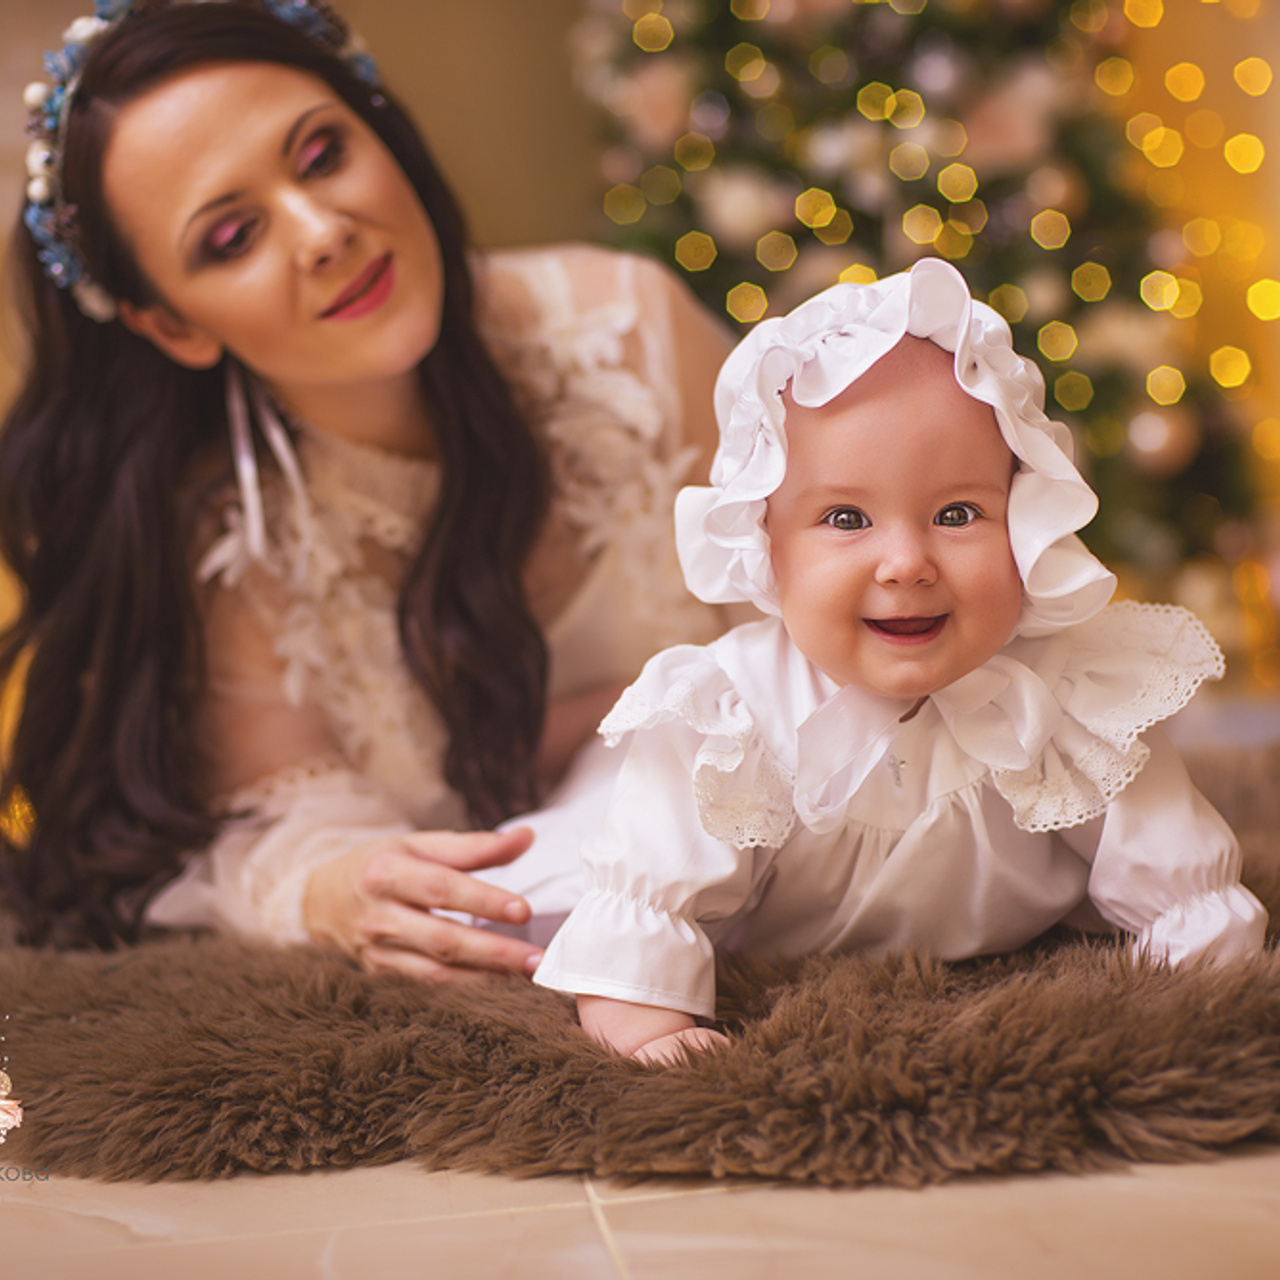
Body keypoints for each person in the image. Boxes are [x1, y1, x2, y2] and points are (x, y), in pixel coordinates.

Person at [0, 0, 734, 979]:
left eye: (319, 156)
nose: (321, 231)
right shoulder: (227, 535)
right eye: (230, 237)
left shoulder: (630, 327)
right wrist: (335, 886)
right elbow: (288, 824)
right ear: (171, 324)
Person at [533, 258, 1269, 1064]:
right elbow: (645, 903)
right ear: (764, 545)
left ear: (1024, 524)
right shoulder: (732, 717)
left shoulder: (1075, 691)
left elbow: (1188, 895)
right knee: (540, 885)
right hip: (729, 909)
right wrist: (652, 1031)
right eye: (846, 517)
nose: (906, 563)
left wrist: (1200, 978)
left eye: (958, 514)